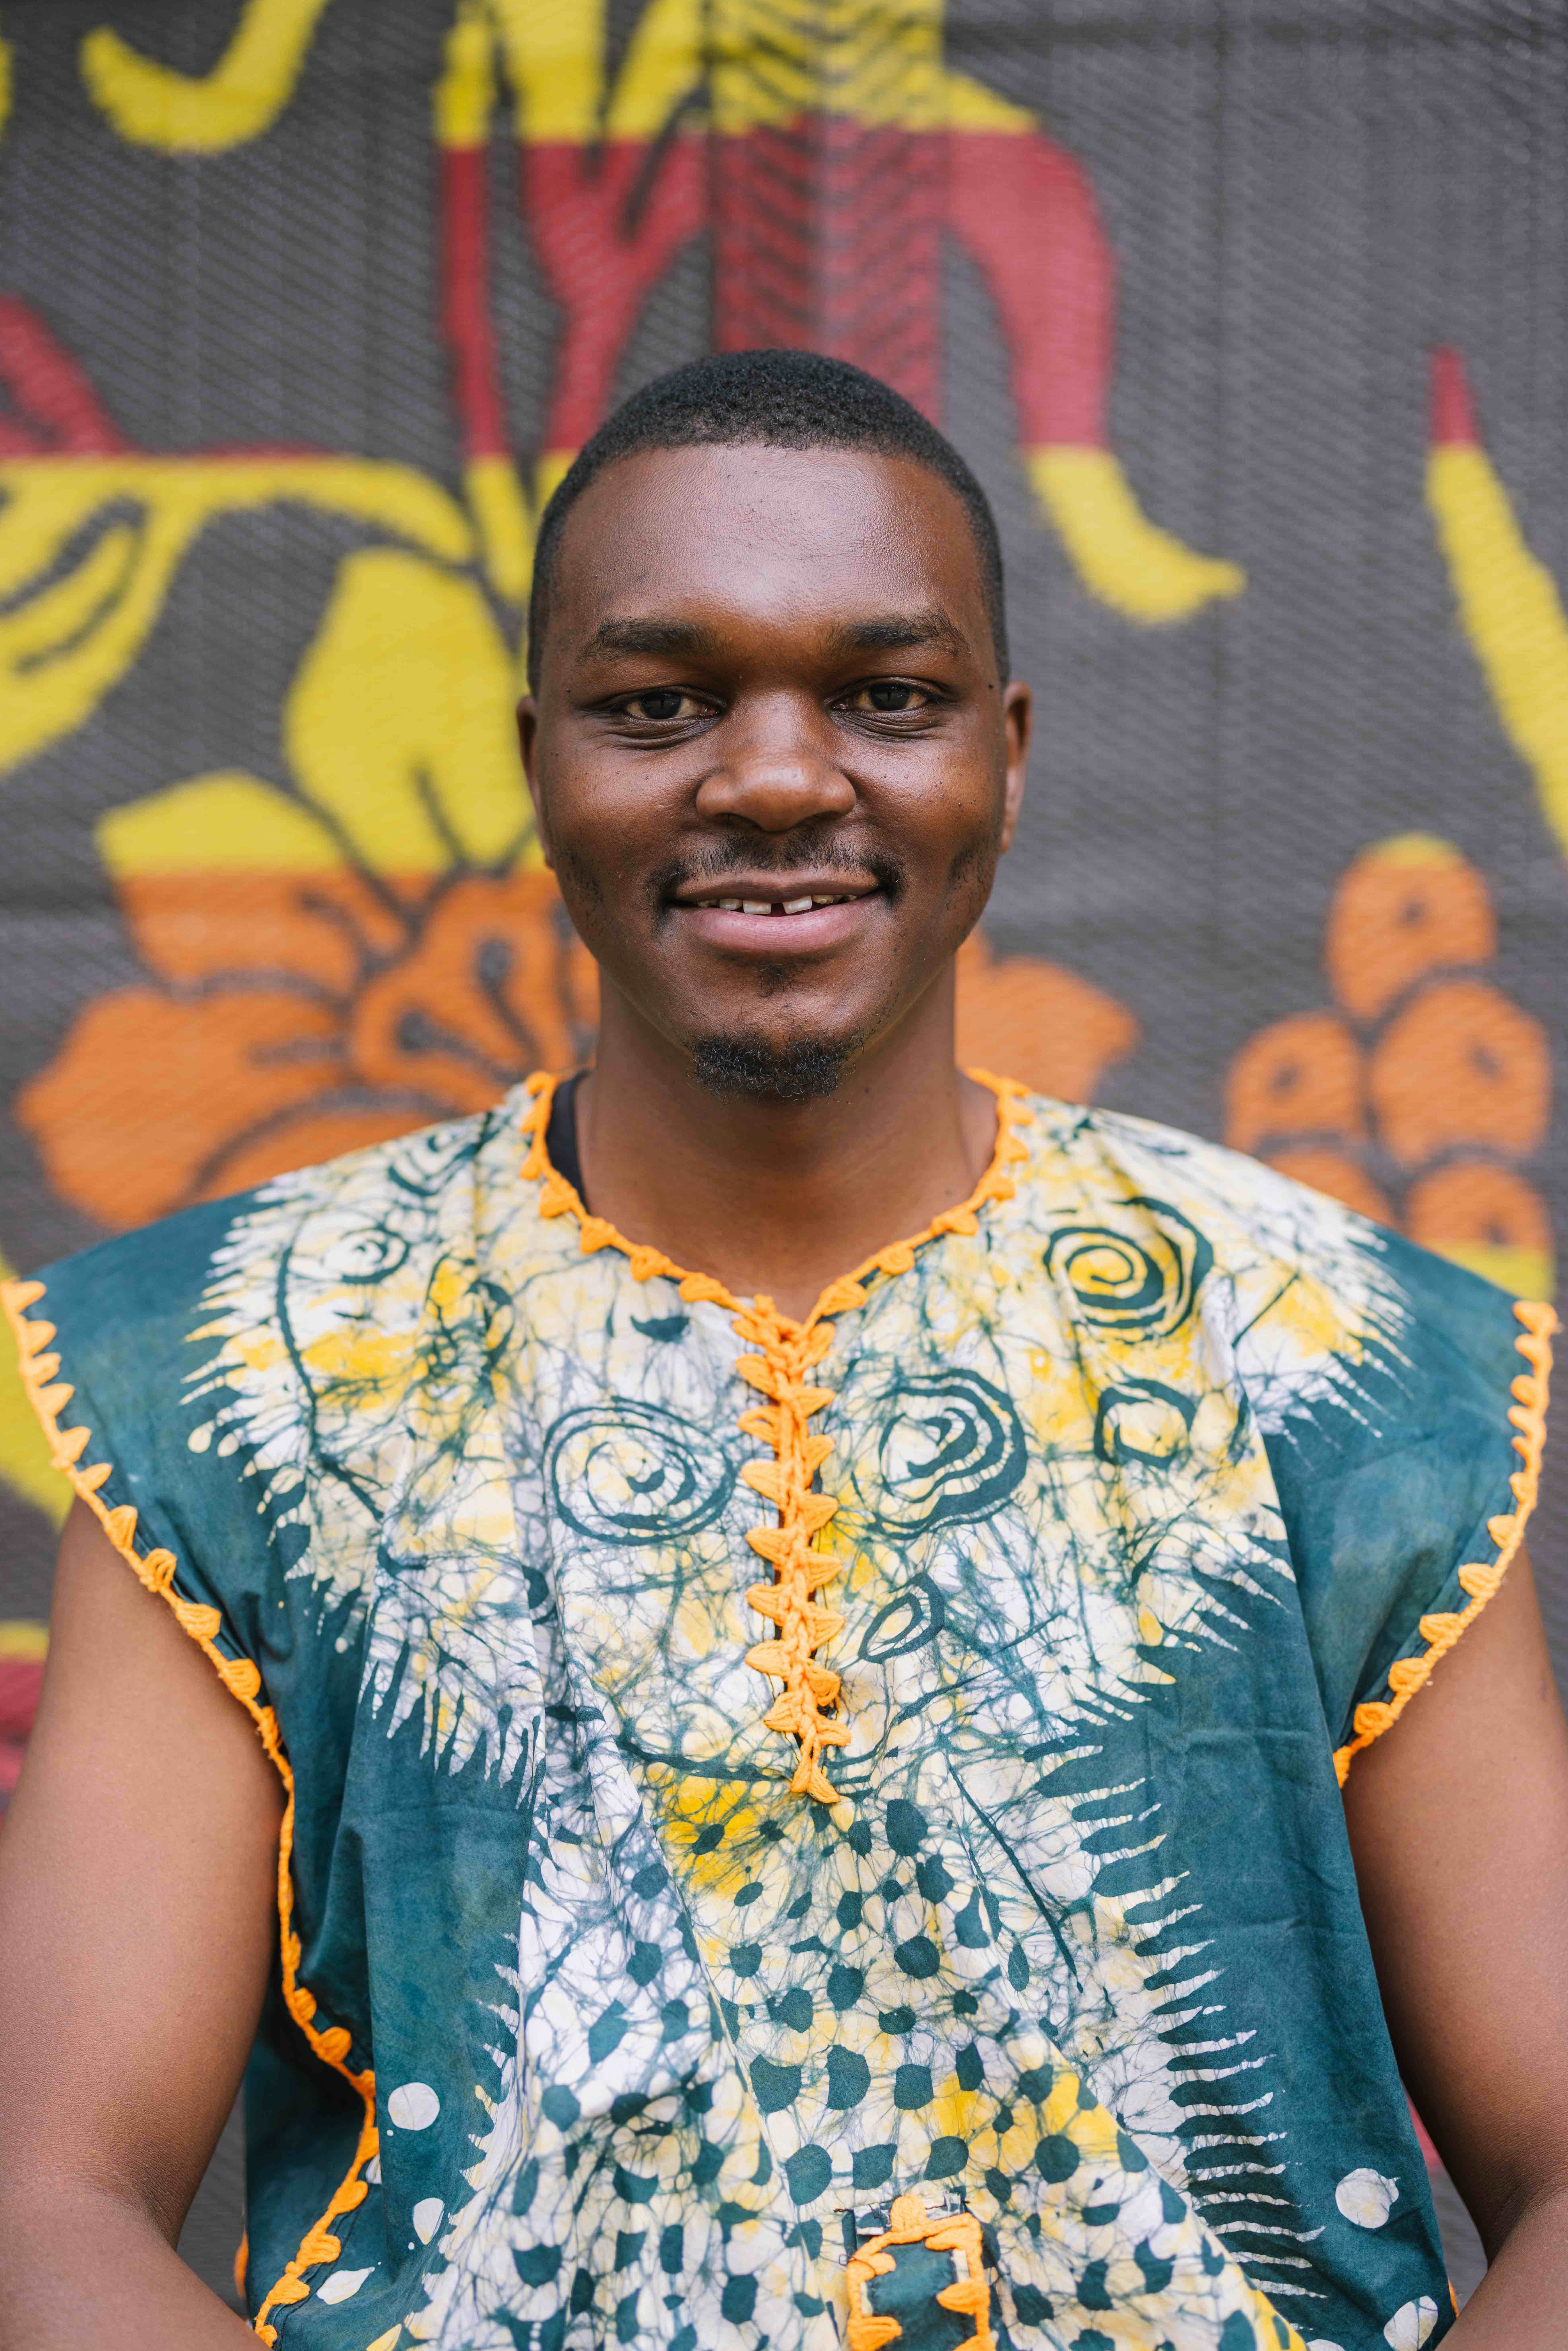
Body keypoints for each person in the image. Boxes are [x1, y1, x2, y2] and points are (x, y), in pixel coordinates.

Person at [0, 350, 1565, 2351]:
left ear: (1004, 751)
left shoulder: (1332, 1354)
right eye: (658, 704)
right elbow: (47, 2202)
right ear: (540, 759)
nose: (770, 778)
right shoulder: (252, 1366)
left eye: (885, 697)